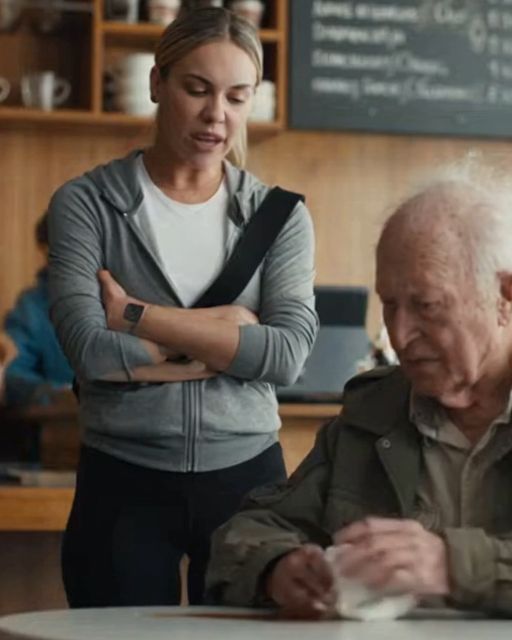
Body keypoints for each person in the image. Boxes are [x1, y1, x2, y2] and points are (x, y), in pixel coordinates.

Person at [47, 7, 317, 608]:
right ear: (156, 83)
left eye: (237, 97)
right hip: (121, 481)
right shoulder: (87, 205)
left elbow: (287, 356)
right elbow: (90, 352)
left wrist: (137, 317)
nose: (217, 114)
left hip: (249, 483)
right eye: (197, 89)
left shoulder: (280, 216)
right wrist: (229, 338)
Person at [206, 155, 512, 617]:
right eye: (390, 304)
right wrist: (279, 568)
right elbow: (248, 533)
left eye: (426, 305)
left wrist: (453, 566)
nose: (400, 335)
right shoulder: (375, 411)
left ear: (504, 296)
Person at [3, 213, 73, 407]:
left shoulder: (129, 297)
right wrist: (58, 396)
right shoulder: (32, 308)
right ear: (45, 251)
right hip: (64, 419)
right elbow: (13, 371)